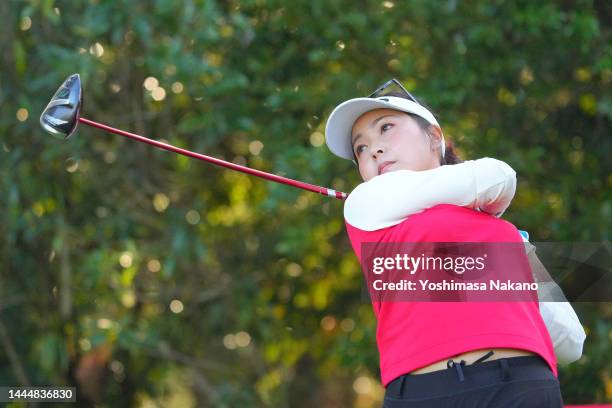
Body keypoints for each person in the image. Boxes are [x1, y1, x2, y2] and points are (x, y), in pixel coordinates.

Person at [324, 79, 585, 407]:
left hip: (523, 387)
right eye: (360, 148)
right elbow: (498, 176)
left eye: (387, 128)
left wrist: (522, 266)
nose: (373, 148)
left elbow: (570, 343)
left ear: (434, 137)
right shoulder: (365, 203)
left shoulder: (502, 231)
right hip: (427, 393)